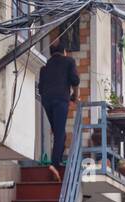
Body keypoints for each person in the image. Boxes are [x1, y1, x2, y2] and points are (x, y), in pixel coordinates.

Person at [38, 40, 79, 174]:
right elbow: (75, 81)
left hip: (47, 100)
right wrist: (75, 97)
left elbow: (40, 89)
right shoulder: (69, 61)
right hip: (60, 100)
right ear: (64, 52)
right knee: (60, 132)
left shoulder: (45, 67)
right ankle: (54, 164)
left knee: (58, 131)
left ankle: (58, 159)